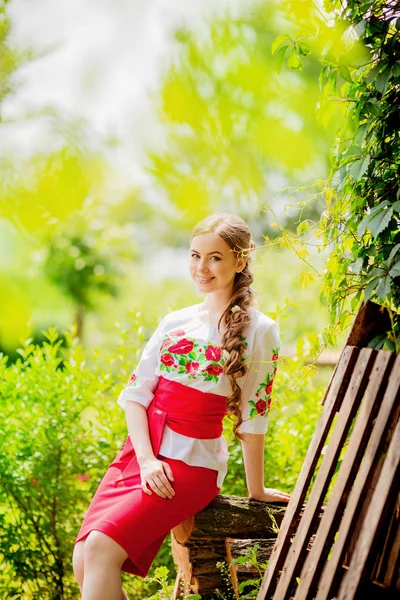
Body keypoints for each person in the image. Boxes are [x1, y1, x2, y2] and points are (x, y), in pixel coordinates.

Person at [72, 212, 290, 600]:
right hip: (141, 455)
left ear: (240, 261)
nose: (200, 268)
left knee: (101, 548)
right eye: (194, 255)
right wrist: (145, 459)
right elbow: (136, 397)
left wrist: (256, 489)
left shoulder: (262, 330)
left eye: (214, 257)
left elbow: (254, 417)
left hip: (191, 465)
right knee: (83, 558)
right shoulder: (175, 321)